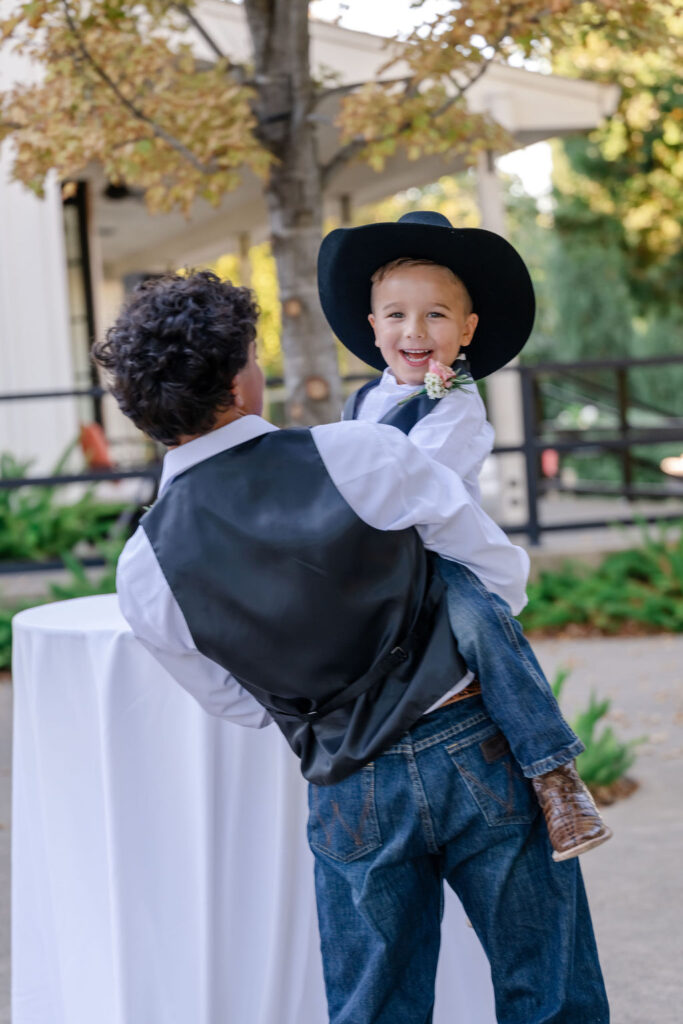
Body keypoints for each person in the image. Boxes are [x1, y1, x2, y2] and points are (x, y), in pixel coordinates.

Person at [101, 270, 609, 1024]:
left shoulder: (143, 567)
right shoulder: (359, 453)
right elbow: (496, 575)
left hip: (348, 780)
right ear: (243, 378)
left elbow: (238, 705)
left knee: (374, 1009)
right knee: (549, 990)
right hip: (473, 739)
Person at [318, 210, 612, 863]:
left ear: (467, 329)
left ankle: (553, 773)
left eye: (435, 316)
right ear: (372, 328)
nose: (413, 331)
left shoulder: (454, 404)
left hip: (439, 554)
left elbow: (414, 484)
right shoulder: (359, 405)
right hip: (376, 560)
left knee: (478, 622)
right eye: (395, 315)